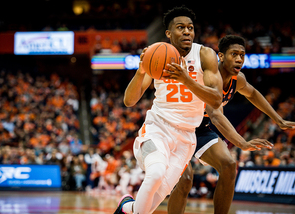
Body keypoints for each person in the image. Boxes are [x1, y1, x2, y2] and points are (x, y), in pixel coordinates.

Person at [167, 35, 295, 214]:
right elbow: (217, 116)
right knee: (186, 180)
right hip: (178, 128)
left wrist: (278, 119)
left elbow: (253, 94)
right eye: (234, 54)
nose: (239, 59)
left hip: (201, 128)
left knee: (228, 165)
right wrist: (242, 142)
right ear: (220, 56)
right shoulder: (208, 76)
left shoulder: (238, 79)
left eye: (242, 55)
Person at [114, 6, 223, 214]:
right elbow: (129, 101)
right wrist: (140, 71)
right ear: (168, 33)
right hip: (157, 128)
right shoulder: (157, 54)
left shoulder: (205, 55)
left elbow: (216, 100)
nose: (187, 32)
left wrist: (185, 79)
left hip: (186, 138)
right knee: (155, 174)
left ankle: (125, 207)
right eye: (180, 27)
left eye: (190, 28)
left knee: (152, 200)